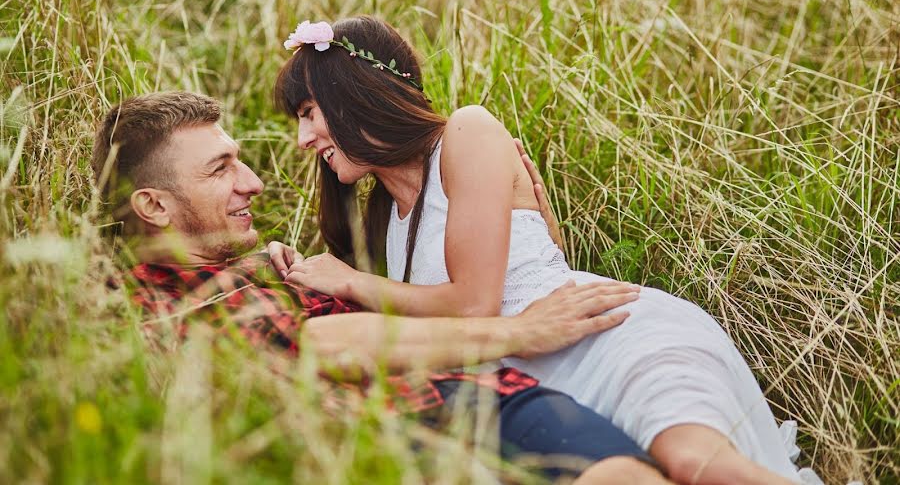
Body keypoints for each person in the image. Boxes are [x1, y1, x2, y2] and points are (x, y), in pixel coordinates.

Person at [273, 16, 807, 485]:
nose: (303, 138)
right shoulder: (383, 216)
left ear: (354, 92)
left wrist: (350, 279)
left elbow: (476, 303)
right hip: (536, 379)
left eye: (309, 111)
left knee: (697, 464)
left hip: (605, 336)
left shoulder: (467, 130)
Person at [91, 91, 671, 484]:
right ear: (154, 205)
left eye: (239, 161)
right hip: (389, 440)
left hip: (486, 397)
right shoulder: (151, 301)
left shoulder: (253, 270)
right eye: (220, 170)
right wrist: (519, 330)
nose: (254, 183)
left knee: (628, 476)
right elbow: (324, 344)